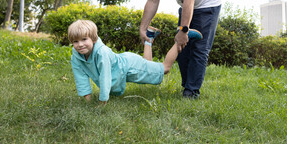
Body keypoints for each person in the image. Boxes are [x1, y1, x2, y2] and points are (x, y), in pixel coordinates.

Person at [68, 20, 202, 104]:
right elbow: (81, 77)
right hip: (123, 66)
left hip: (129, 65)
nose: (80, 45)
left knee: (165, 68)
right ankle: (149, 38)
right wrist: (88, 101)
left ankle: (185, 36)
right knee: (147, 63)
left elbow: (105, 76)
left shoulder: (101, 52)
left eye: (84, 39)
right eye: (75, 41)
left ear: (93, 39)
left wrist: (103, 101)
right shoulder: (76, 56)